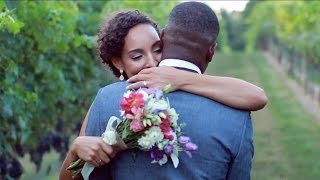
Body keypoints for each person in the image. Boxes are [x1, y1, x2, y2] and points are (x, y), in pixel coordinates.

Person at [60, 6, 262, 179]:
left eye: (156, 49)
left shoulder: (107, 100)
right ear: (211, 51)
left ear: (163, 38)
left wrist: (180, 79)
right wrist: (76, 150)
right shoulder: (236, 116)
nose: (150, 62)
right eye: (137, 55)